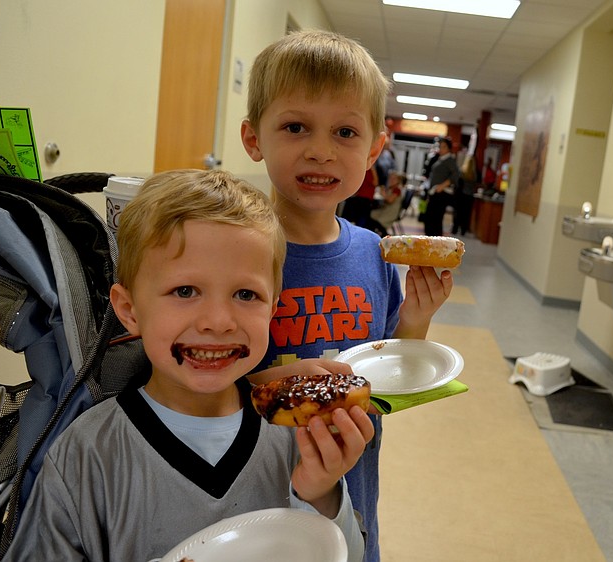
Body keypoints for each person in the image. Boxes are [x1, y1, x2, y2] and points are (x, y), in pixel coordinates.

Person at [5, 170, 373, 562]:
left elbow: (344, 553)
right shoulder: (86, 454)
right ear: (129, 310)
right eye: (185, 291)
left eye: (246, 294)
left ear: (272, 310)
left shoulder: (294, 437)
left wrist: (321, 494)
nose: (218, 321)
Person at [240, 30, 453, 562]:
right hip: (252, 483)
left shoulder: (374, 253)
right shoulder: (234, 250)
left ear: (375, 148)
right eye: (295, 127)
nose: (320, 150)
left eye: (345, 132)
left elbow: (387, 374)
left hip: (349, 480)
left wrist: (416, 321)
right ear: (253, 139)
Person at [422, 136, 460, 236]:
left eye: (443, 147)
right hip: (434, 193)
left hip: (441, 194)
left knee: (435, 218)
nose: (441, 149)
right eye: (440, 147)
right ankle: (430, 238)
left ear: (448, 148)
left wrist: (442, 186)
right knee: (430, 218)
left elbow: (456, 175)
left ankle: (435, 241)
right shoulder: (441, 159)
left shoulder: (449, 160)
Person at [370, 170, 406, 236]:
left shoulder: (397, 190)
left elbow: (390, 200)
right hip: (386, 210)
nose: (391, 180)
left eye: (394, 179)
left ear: (398, 180)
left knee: (373, 219)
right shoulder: (391, 188)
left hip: (390, 212)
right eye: (390, 178)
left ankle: (381, 234)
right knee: (371, 214)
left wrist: (383, 194)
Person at [452, 153, 477, 236]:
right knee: (466, 215)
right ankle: (463, 230)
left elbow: (457, 184)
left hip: (461, 196)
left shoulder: (461, 172)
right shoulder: (474, 175)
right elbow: (474, 186)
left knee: (457, 213)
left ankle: (455, 229)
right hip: (469, 197)